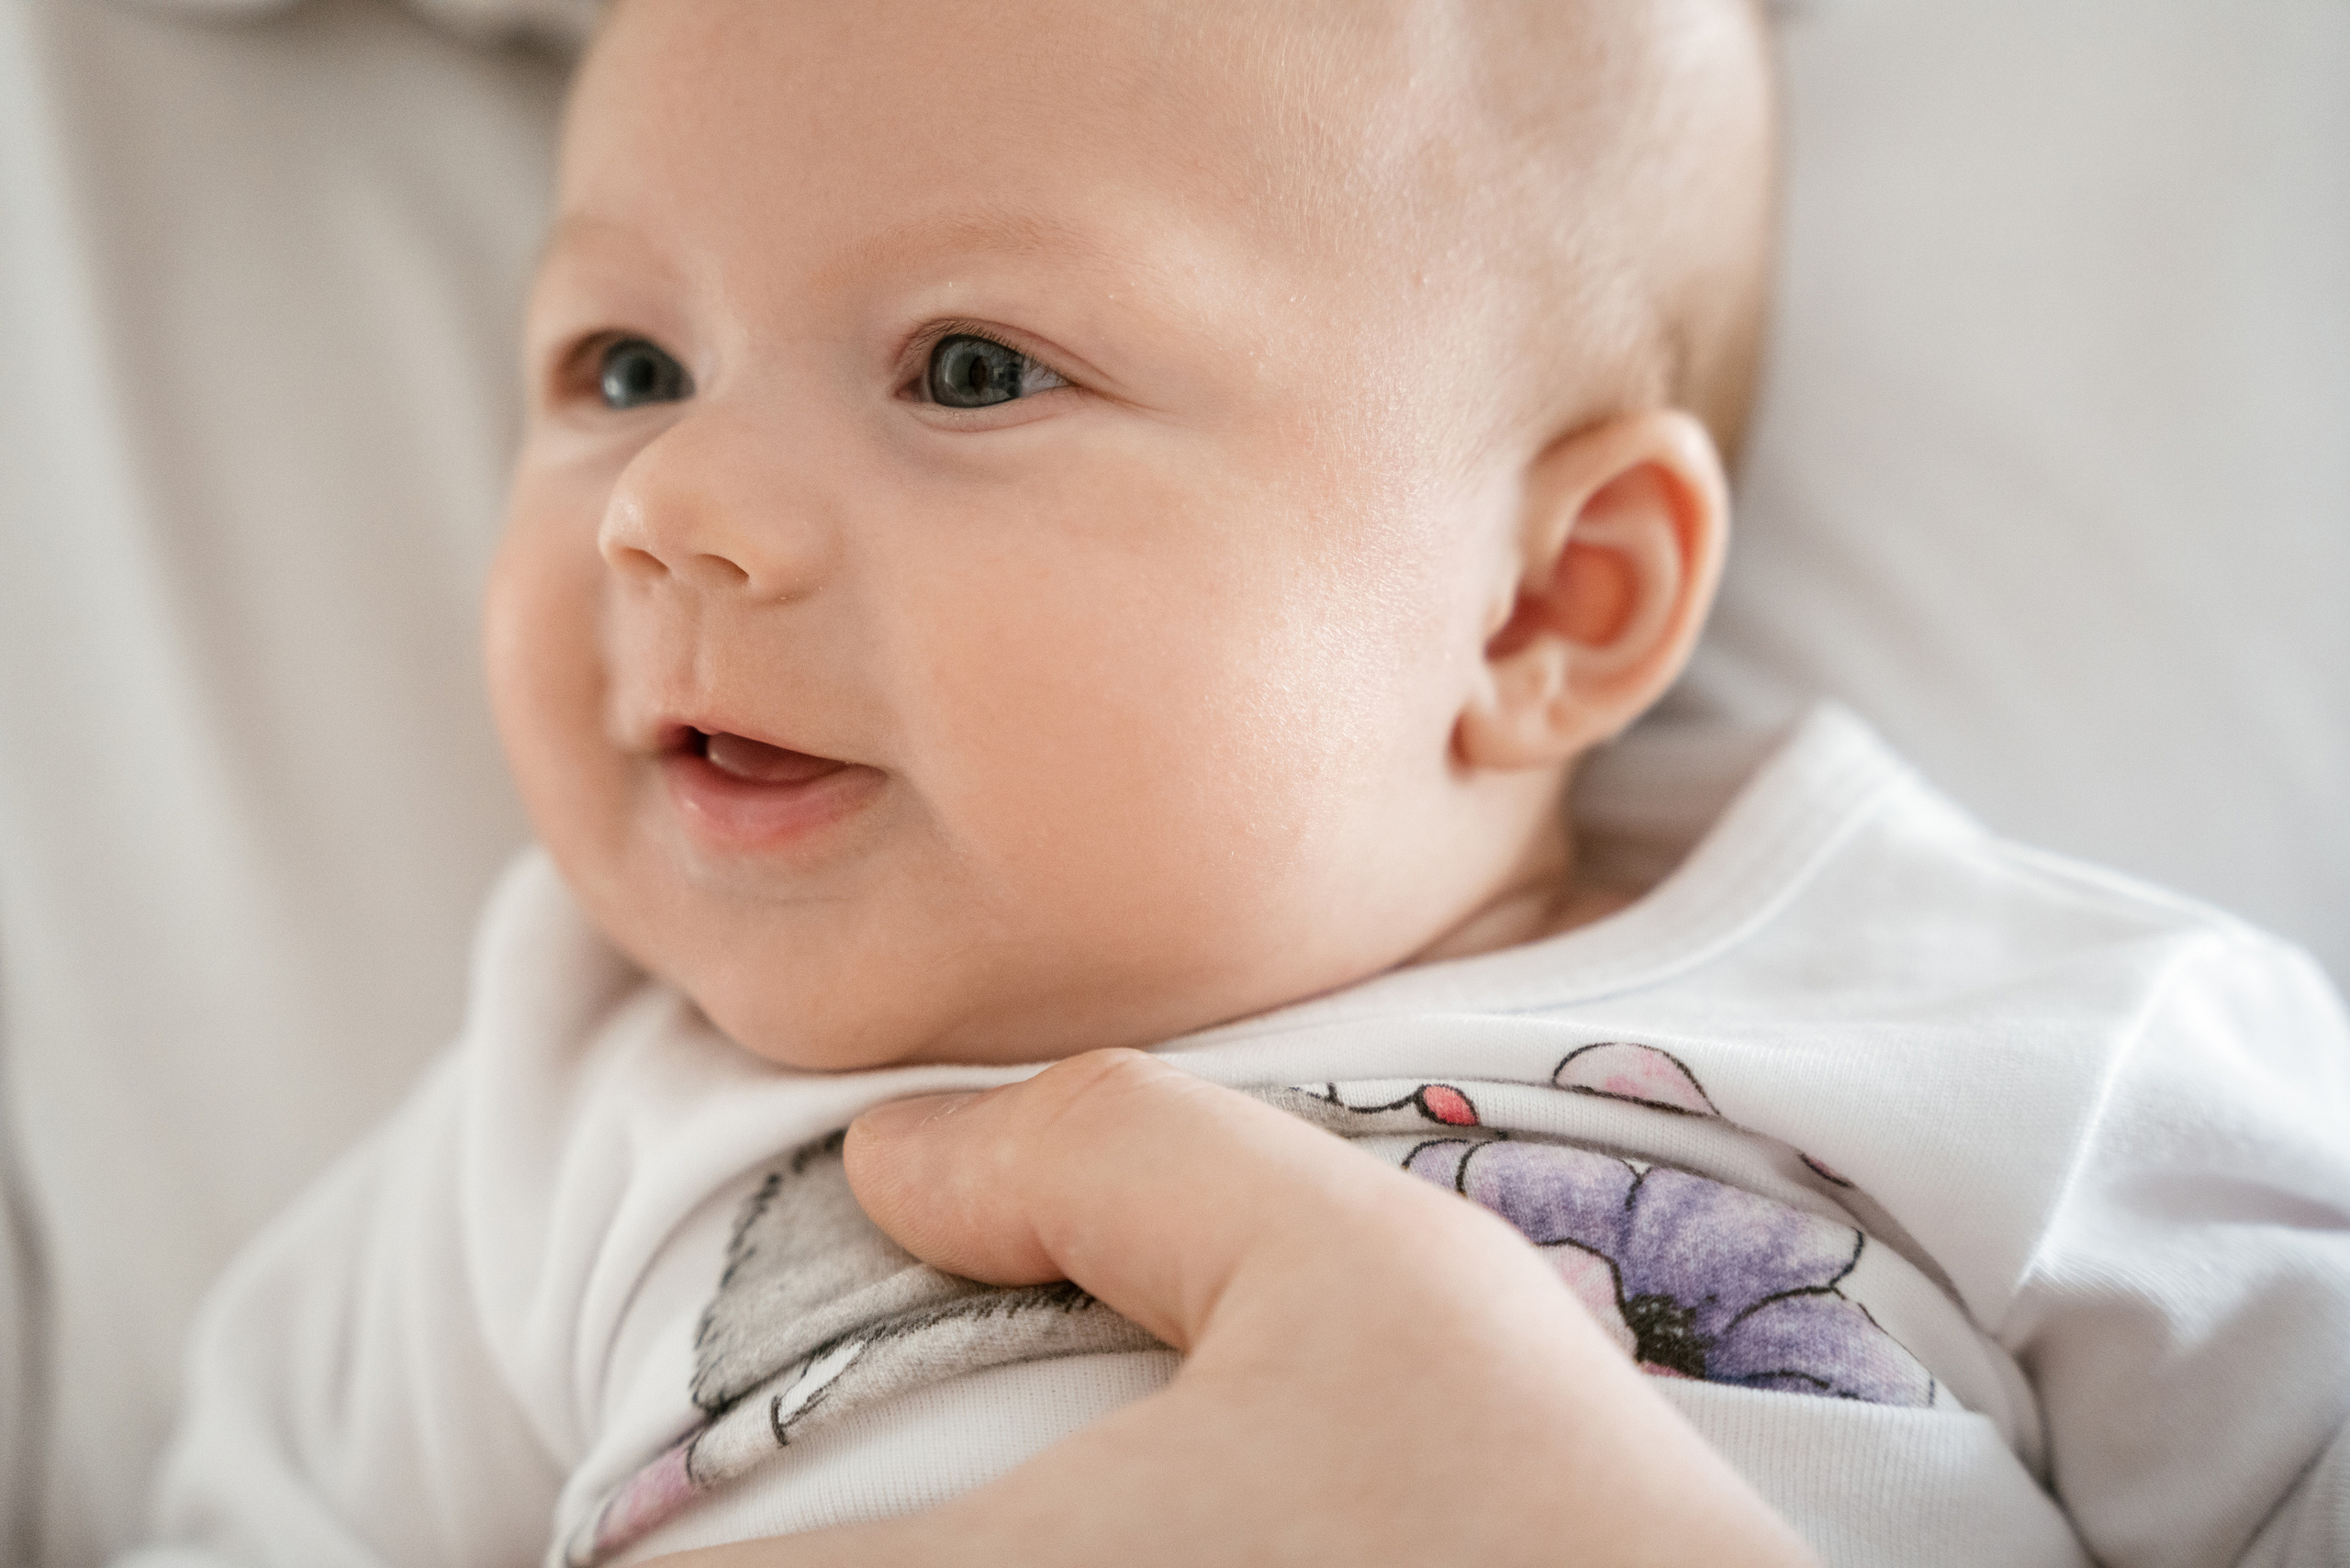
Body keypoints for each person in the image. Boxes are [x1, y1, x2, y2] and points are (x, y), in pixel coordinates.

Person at [129, 1, 2350, 1565]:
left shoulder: (2019, 1038)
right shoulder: (555, 1102)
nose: (670, 502)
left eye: (970, 368)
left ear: (1542, 599)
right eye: (626, 363)